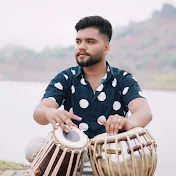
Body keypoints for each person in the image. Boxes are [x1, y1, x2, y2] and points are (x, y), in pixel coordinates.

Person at [29, 15, 152, 175]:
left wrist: (125, 122)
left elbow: (145, 113)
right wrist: (49, 112)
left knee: (136, 155)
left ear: (106, 48)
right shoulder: (66, 77)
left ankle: (85, 169)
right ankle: (90, 169)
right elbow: (39, 112)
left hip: (111, 152)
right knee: (32, 147)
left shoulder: (123, 79)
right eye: (78, 41)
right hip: (74, 151)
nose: (82, 46)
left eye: (90, 42)